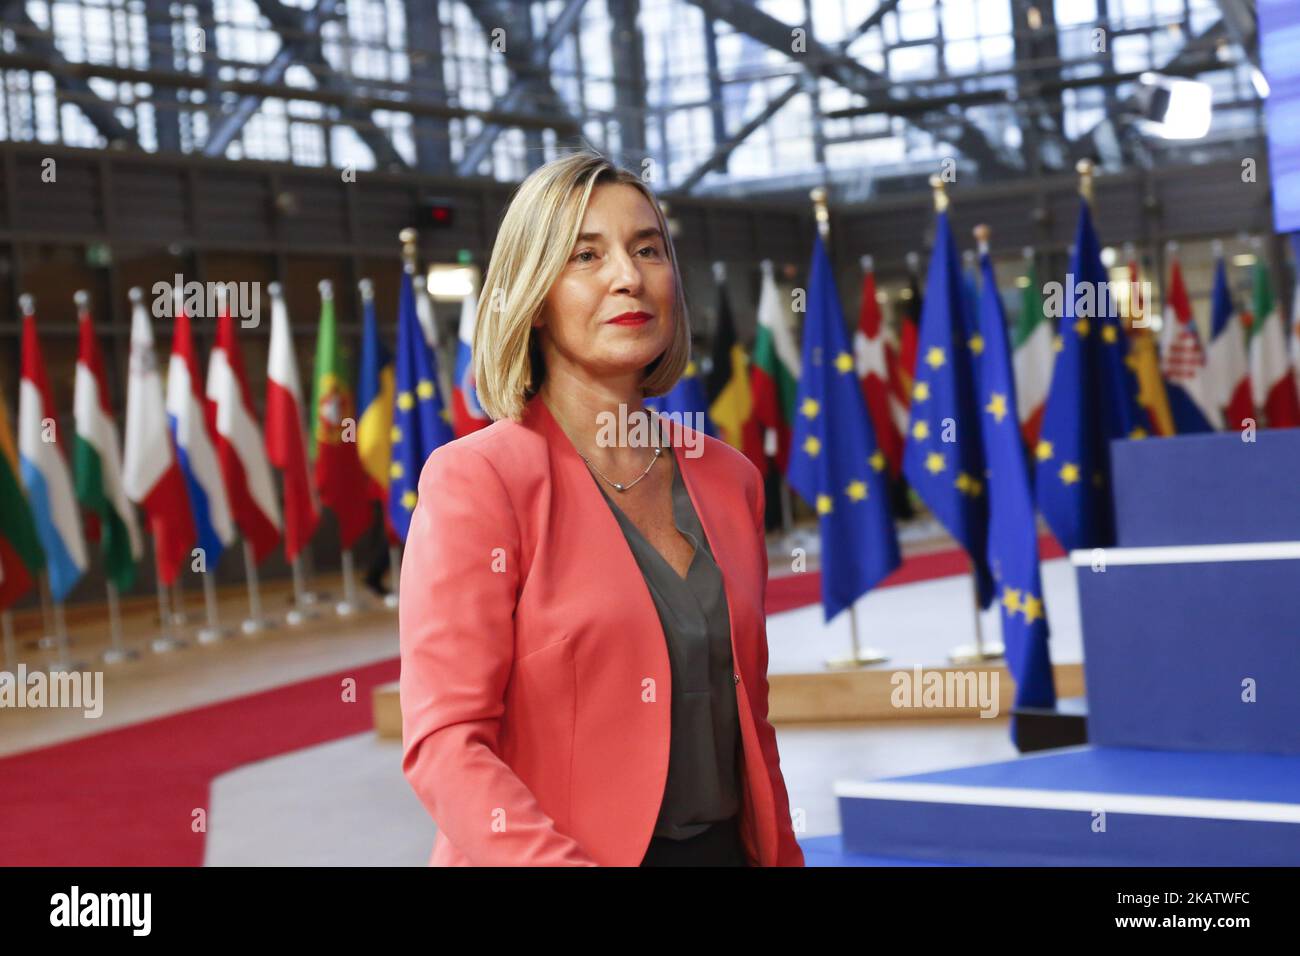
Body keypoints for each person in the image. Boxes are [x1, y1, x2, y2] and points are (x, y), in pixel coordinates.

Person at [397, 150, 804, 867]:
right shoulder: (477, 482)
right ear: (534, 295)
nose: (629, 275)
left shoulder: (729, 479)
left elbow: (751, 729)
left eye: (648, 248)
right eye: (587, 255)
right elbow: (446, 744)